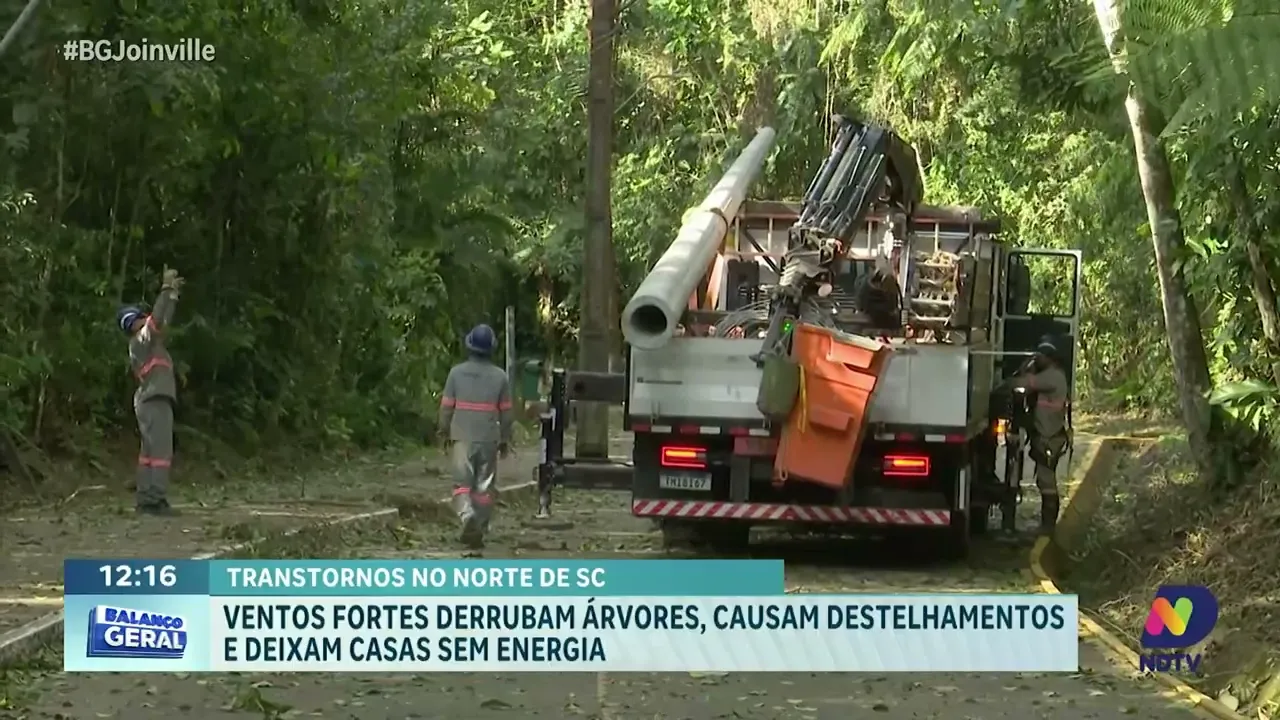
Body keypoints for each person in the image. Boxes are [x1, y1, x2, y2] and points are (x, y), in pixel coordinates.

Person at [438, 324, 514, 548]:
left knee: (462, 484)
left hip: (462, 437)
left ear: (469, 345)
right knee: (483, 487)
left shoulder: (455, 373)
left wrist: (443, 430)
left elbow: (446, 407)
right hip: (488, 438)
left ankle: (467, 515)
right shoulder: (500, 377)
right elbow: (507, 413)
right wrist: (505, 438)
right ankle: (479, 525)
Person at [117, 267, 183, 516]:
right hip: (153, 399)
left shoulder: (149, 343)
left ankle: (146, 498)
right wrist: (165, 290)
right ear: (132, 323)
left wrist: (172, 296)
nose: (145, 319)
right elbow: (156, 321)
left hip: (150, 400)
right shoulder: (141, 340)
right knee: (161, 452)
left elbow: (162, 322)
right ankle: (154, 500)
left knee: (150, 452)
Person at [999, 337, 1070, 534]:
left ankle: (1048, 527)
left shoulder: (1052, 377)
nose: (1038, 359)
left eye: (1040, 356)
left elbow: (1021, 383)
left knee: (1046, 481)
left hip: (1049, 436)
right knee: (1044, 480)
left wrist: (1022, 369)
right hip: (1048, 434)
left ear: (1049, 357)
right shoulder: (1054, 375)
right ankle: (1047, 525)